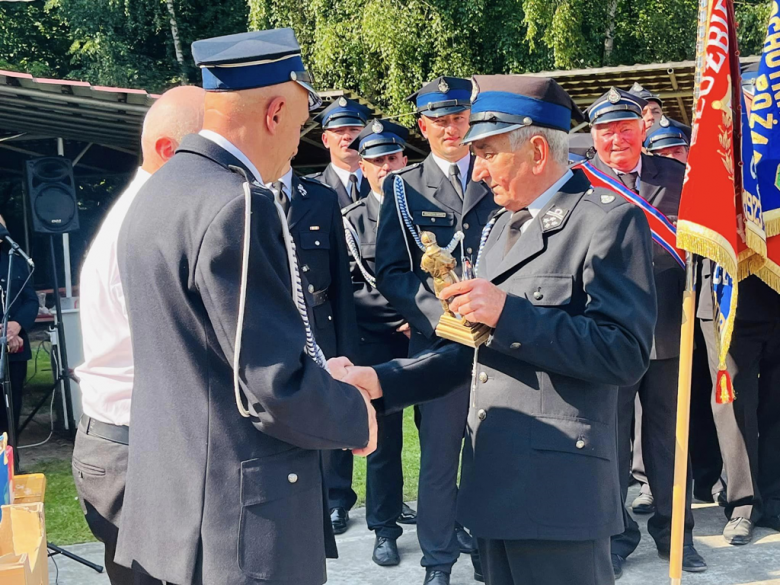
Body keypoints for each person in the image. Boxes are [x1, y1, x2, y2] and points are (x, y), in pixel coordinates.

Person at [335, 74, 657, 585]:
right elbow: (475, 352)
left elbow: (623, 353)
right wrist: (384, 381)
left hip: (558, 494)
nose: (478, 171)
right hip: (493, 486)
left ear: (534, 149)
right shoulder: (501, 229)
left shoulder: (605, 221)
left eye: (486, 152)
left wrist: (510, 313)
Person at [114, 28, 376, 585]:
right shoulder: (237, 203)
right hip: (242, 521)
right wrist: (355, 413)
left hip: (181, 504)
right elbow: (270, 385)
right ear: (276, 111)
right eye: (303, 124)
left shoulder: (160, 191)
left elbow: (205, 355)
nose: (298, 142)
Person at [72, 85, 205, 585]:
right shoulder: (147, 227)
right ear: (169, 151)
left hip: (127, 444)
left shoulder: (145, 214)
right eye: (206, 152)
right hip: (136, 452)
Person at [375, 76, 497, 585]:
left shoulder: (495, 172)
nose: (452, 129)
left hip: (500, 339)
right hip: (441, 343)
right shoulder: (403, 187)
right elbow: (392, 270)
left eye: (459, 118)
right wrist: (442, 312)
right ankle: (438, 560)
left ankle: (494, 551)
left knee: (497, 450)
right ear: (424, 128)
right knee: (440, 456)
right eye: (441, 121)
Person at [584, 87, 706, 577]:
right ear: (594, 136)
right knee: (610, 440)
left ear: (643, 130)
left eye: (626, 129)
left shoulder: (677, 177)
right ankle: (615, 538)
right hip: (605, 331)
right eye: (606, 131)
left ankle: (676, 535)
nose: (617, 139)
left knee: (670, 441)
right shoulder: (578, 183)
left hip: (668, 329)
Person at [266, 158, 361, 536]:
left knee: (331, 404)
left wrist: (347, 345)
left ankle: (337, 498)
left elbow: (340, 275)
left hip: (322, 321)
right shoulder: (248, 195)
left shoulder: (319, 198)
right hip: (276, 324)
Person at [342, 119, 413, 566]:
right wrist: (401, 317)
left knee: (444, 434)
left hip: (431, 337)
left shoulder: (426, 207)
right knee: (383, 441)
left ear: (405, 159)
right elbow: (350, 287)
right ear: (363, 166)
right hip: (380, 342)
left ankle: (452, 522)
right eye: (376, 160)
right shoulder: (350, 220)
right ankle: (384, 528)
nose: (386, 166)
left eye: (393, 157)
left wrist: (421, 318)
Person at [0, 215, 38, 442]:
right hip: (8, 340)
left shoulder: (14, 260)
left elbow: (31, 300)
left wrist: (17, 325)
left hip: (16, 347)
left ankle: (11, 464)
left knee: (12, 406)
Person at [309, 97, 372, 207]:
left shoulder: (382, 183)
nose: (347, 136)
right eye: (339, 131)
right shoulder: (310, 189)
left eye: (354, 130)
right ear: (325, 140)